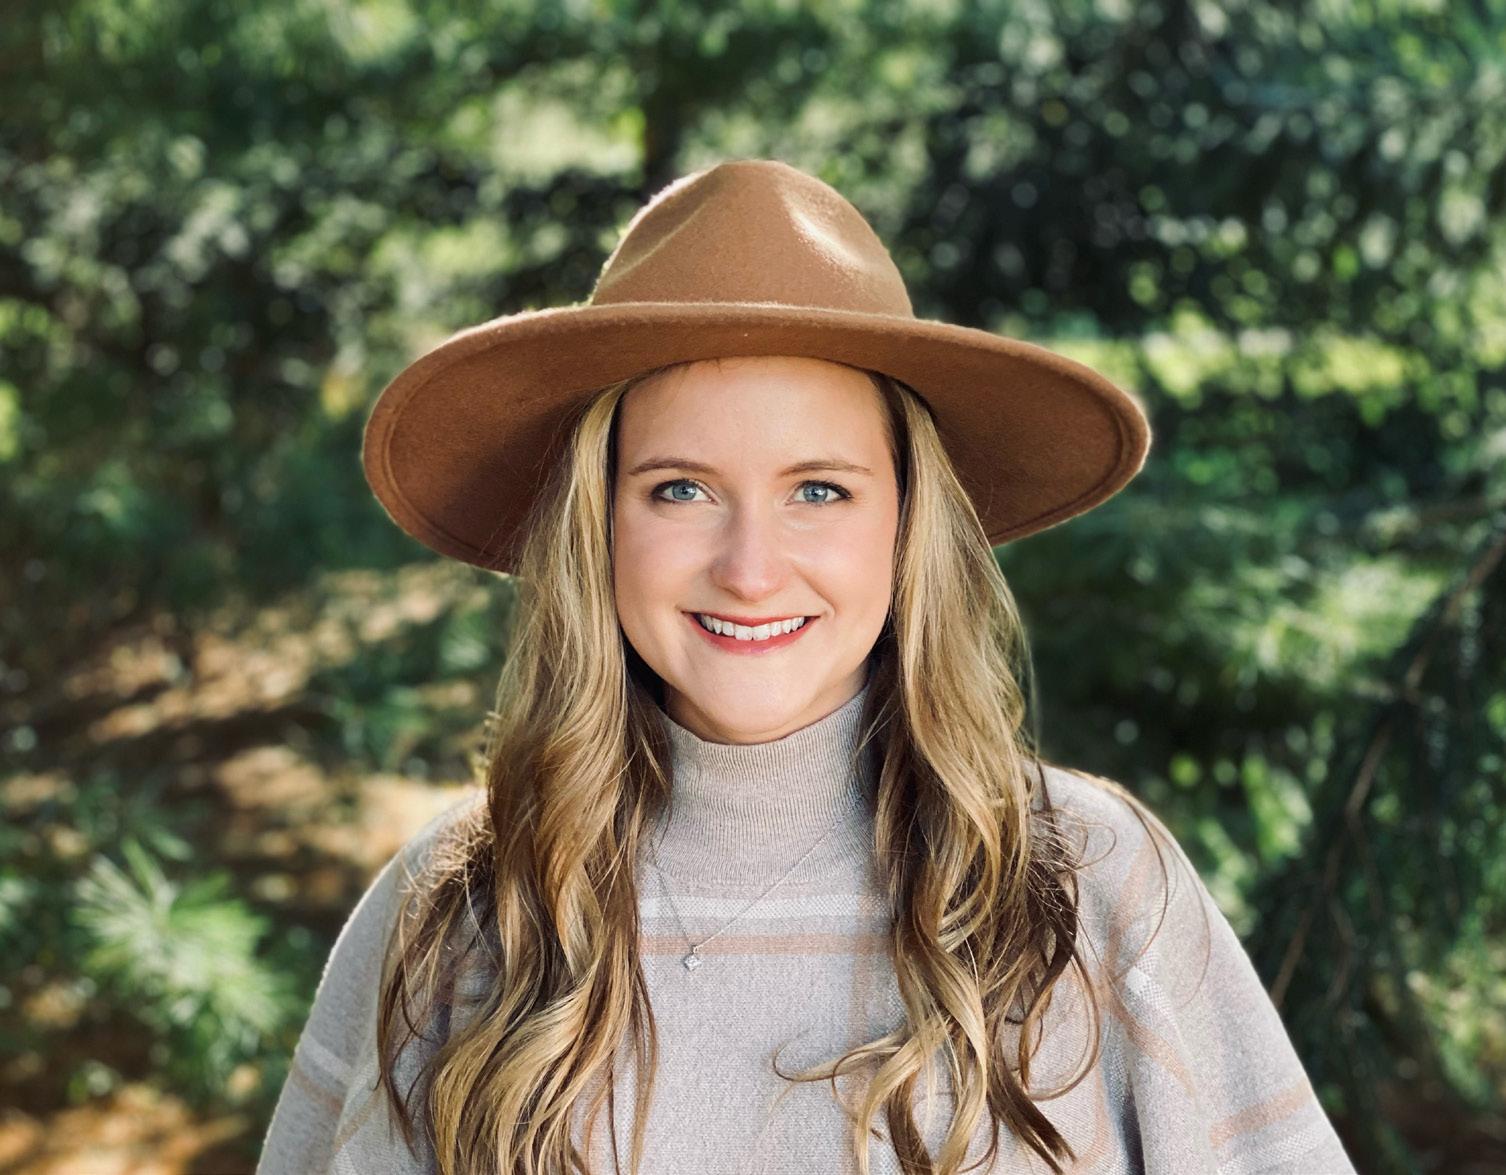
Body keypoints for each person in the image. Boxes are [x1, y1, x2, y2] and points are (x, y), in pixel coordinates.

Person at [255, 159, 1358, 1175]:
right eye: (680, 488)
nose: (749, 568)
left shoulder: (1090, 884)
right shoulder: (457, 907)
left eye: (819, 489)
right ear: (597, 523)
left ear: (907, 523)